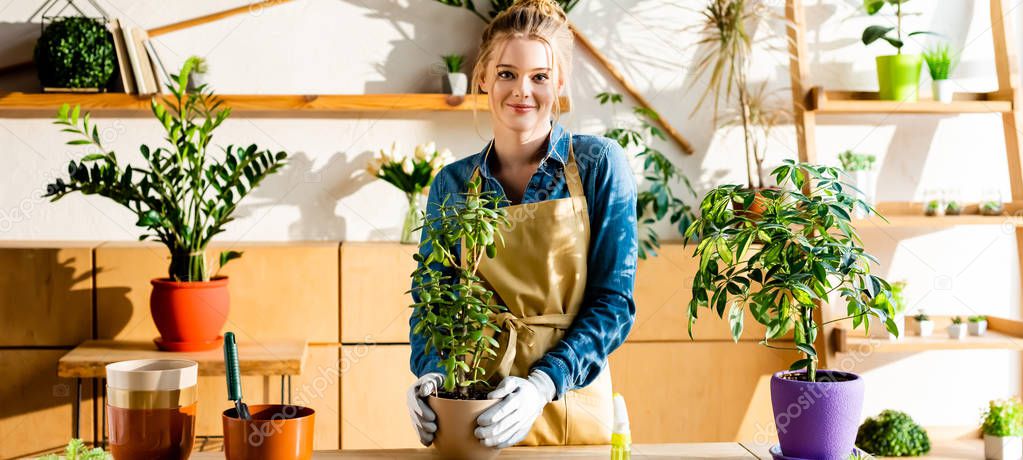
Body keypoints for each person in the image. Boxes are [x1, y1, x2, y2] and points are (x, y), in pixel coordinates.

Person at [406, 0, 638, 449]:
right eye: (507, 73)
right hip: (471, 407)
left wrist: (542, 386)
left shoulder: (598, 165)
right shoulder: (452, 185)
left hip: (570, 401)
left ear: (560, 83)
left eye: (540, 77)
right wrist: (431, 372)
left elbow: (614, 302)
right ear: (483, 79)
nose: (522, 91)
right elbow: (430, 299)